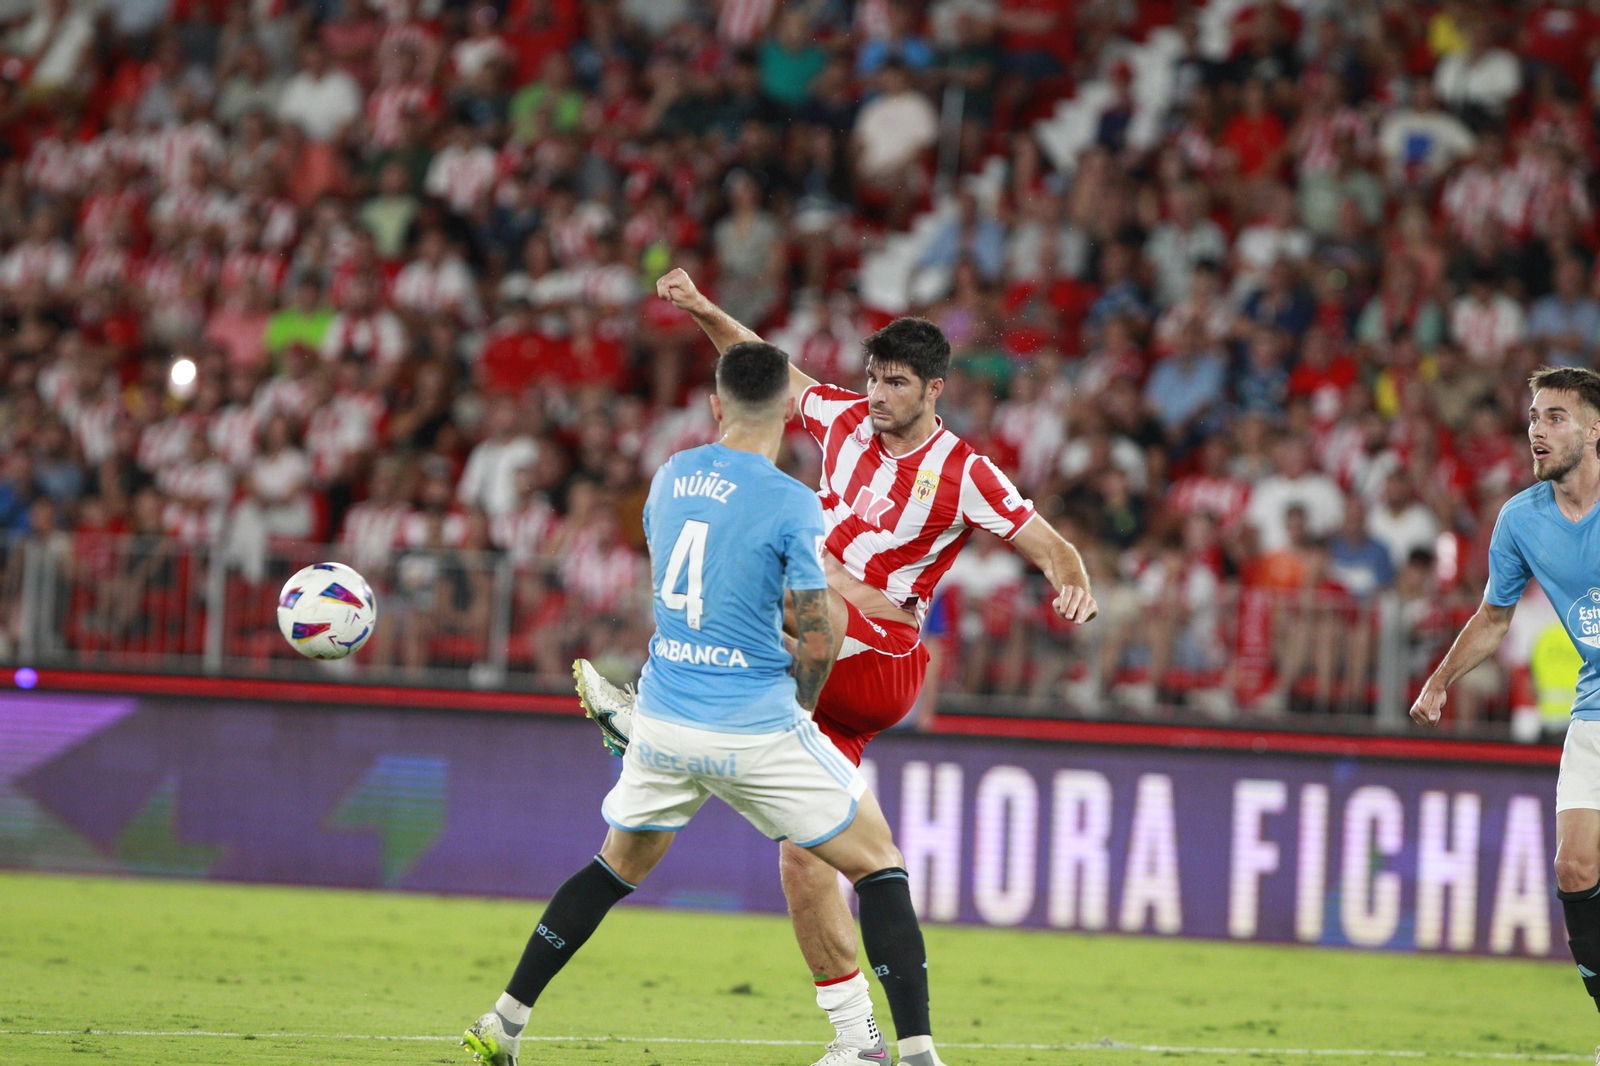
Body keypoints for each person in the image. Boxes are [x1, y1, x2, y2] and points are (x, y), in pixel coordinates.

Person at [575, 266, 1097, 1065]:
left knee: (779, 561)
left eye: (895, 383)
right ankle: (859, 1042)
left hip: (882, 657)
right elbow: (759, 364)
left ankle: (658, 710)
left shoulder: (966, 471)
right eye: (872, 378)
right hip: (824, 673)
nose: (877, 394)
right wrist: (702, 306)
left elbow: (1041, 538)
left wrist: (1072, 577)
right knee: (804, 858)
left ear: (935, 390)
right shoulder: (843, 419)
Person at [463, 341, 952, 1066]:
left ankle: (502, 1023)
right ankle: (913, 1054)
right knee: (879, 866)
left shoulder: (669, 478)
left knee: (611, 869)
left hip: (666, 713)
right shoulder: (792, 501)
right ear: (789, 411)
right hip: (755, 724)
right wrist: (805, 709)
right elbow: (817, 637)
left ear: (716, 406)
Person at [1410, 366, 1600, 1030]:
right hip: (1595, 707)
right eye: (1533, 418)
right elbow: (1494, 617)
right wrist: (1439, 680)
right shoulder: (1521, 519)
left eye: (1555, 417)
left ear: (1594, 428)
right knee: (1575, 867)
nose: (1537, 431)